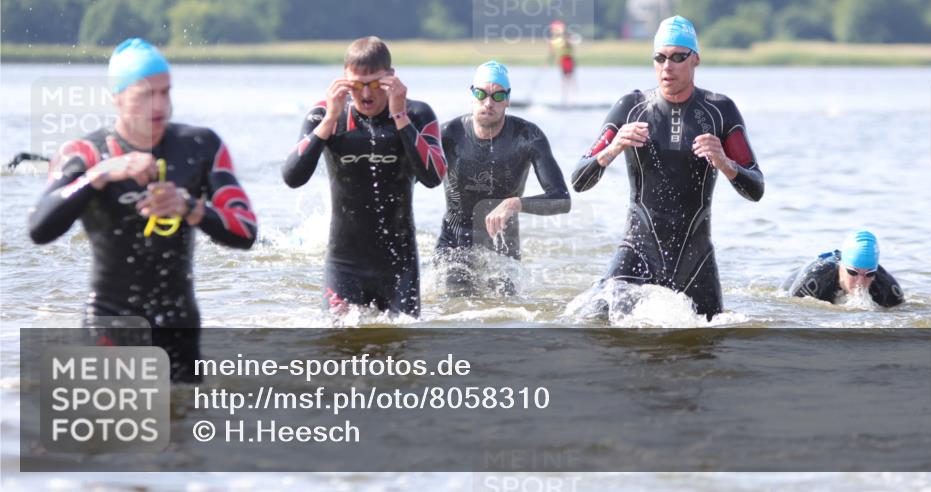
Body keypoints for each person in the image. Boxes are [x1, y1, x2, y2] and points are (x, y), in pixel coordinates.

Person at [28, 38, 258, 381]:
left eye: (166, 92)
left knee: (180, 427)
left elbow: (246, 231)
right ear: (117, 98)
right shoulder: (86, 153)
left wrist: (190, 207)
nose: (160, 105)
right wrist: (99, 176)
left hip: (179, 325)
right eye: (145, 94)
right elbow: (39, 226)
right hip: (111, 322)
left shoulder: (200, 146)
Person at [570, 16, 764, 320]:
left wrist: (725, 164)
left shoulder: (719, 111)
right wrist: (613, 148)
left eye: (677, 57)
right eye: (659, 58)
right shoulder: (631, 107)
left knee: (711, 341)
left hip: (695, 260)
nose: (667, 66)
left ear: (696, 59)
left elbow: (756, 189)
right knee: (591, 321)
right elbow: (579, 179)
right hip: (637, 251)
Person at [282, 36, 445, 317]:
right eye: (356, 85)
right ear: (344, 81)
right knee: (338, 352)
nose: (366, 94)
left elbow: (433, 177)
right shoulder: (326, 113)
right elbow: (292, 176)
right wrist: (329, 121)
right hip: (344, 264)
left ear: (391, 79)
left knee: (403, 355)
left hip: (399, 266)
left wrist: (400, 117)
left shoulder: (417, 114)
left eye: (375, 84)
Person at [435, 61, 570, 293]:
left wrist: (514, 203)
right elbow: (410, 177)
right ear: (472, 95)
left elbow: (561, 199)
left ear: (507, 99)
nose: (488, 103)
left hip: (502, 247)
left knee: (504, 311)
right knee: (459, 306)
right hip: (454, 246)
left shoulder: (528, 137)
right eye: (481, 94)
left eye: (498, 96)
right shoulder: (447, 135)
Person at [783, 230, 904, 307]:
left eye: (869, 274)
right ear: (842, 265)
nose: (860, 282)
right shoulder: (816, 277)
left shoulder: (887, 286)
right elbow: (792, 312)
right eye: (853, 272)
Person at [548, 20, 577, 105]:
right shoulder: (555, 40)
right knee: (564, 80)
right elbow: (552, 51)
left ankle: (573, 100)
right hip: (562, 61)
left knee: (571, 79)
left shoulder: (566, 38)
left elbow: (569, 45)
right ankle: (564, 99)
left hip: (568, 60)